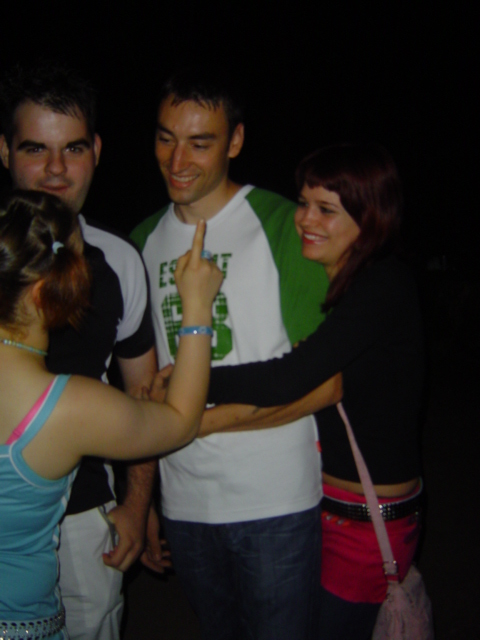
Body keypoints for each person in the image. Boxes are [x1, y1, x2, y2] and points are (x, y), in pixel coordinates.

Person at [131, 69, 332, 640]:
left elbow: (328, 383)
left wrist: (197, 423)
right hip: (185, 503)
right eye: (166, 138)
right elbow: (144, 388)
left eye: (200, 142)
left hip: (275, 502)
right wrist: (143, 500)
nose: (177, 161)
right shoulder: (141, 242)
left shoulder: (285, 226)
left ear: (235, 141)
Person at [203, 142, 425, 640]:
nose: (305, 218)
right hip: (333, 509)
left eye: (327, 209)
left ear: (370, 218)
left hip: (366, 525)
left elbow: (287, 378)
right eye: (304, 203)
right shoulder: (348, 291)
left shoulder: (381, 284)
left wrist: (193, 378)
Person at [0, 189, 222, 640]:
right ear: (46, 289)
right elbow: (181, 421)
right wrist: (197, 307)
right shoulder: (66, 406)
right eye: (79, 266)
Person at [0, 62, 162, 640]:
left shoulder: (119, 260)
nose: (55, 169)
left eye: (72, 148)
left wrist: (137, 505)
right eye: (35, 149)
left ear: (95, 151)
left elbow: (143, 390)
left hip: (88, 515)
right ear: (5, 152)